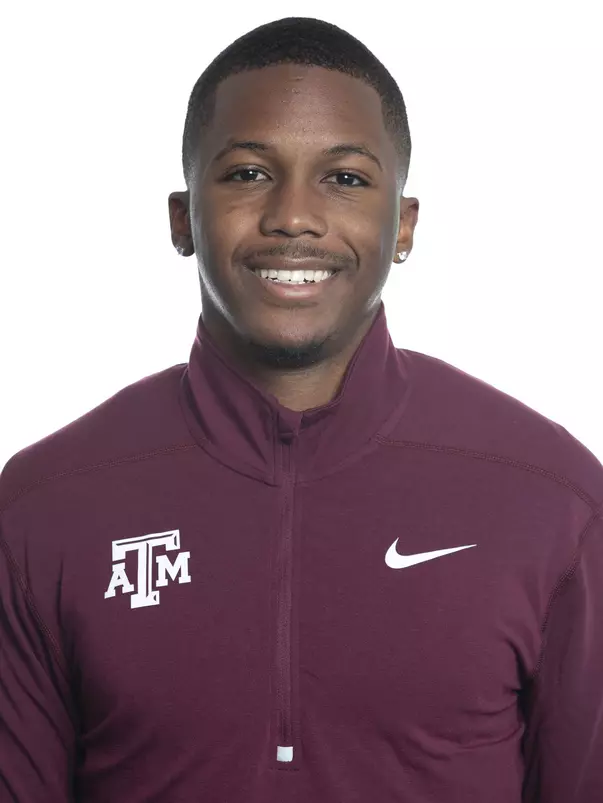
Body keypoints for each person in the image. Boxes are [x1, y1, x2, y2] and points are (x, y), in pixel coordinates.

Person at [0, 15, 601, 803]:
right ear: (181, 218)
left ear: (404, 226)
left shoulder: (548, 494)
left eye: (345, 178)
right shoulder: (46, 503)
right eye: (248, 173)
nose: (292, 216)